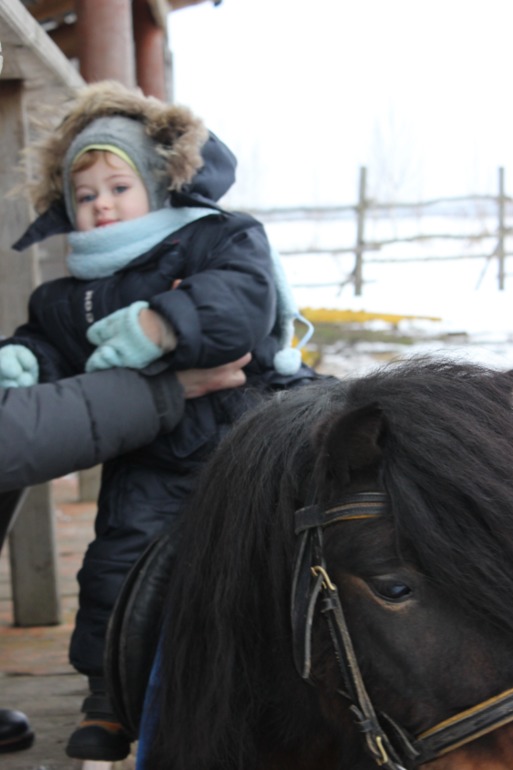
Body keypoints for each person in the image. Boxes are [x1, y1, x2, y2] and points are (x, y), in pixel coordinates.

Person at [3, 80, 316, 761]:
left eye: (118, 187)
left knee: (257, 564)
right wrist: (24, 360)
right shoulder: (71, 293)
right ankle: (108, 698)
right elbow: (54, 344)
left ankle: (270, 689)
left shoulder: (215, 239)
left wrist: (159, 322)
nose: (102, 206)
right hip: (146, 457)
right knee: (115, 566)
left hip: (242, 434)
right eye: (85, 196)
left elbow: (239, 309)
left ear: (159, 184)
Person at [0, 354, 250, 754]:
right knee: (122, 554)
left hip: (224, 418)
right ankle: (110, 695)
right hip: (176, 423)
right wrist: (162, 386)